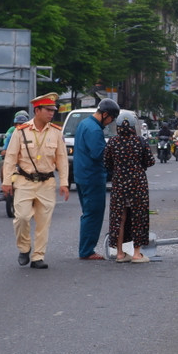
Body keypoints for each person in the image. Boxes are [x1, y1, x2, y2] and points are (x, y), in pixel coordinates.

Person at [1, 93, 70, 269]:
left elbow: (62, 159)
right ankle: (24, 248)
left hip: (47, 183)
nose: (51, 113)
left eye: (53, 110)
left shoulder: (56, 132)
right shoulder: (21, 131)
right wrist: (7, 181)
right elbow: (10, 157)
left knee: (43, 222)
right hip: (24, 181)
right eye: (48, 110)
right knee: (22, 218)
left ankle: (38, 256)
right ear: (37, 110)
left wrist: (64, 182)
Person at [73, 98, 119, 261]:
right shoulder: (94, 130)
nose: (109, 123)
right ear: (105, 114)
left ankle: (85, 248)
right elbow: (99, 154)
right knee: (93, 214)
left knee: (87, 213)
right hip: (92, 177)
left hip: (81, 175)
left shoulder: (84, 124)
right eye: (111, 119)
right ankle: (86, 250)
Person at [103, 116, 154, 263]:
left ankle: (120, 253)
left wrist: (119, 168)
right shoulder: (140, 141)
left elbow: (106, 162)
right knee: (138, 216)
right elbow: (150, 161)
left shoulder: (113, 142)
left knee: (120, 217)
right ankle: (137, 254)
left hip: (119, 183)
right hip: (138, 183)